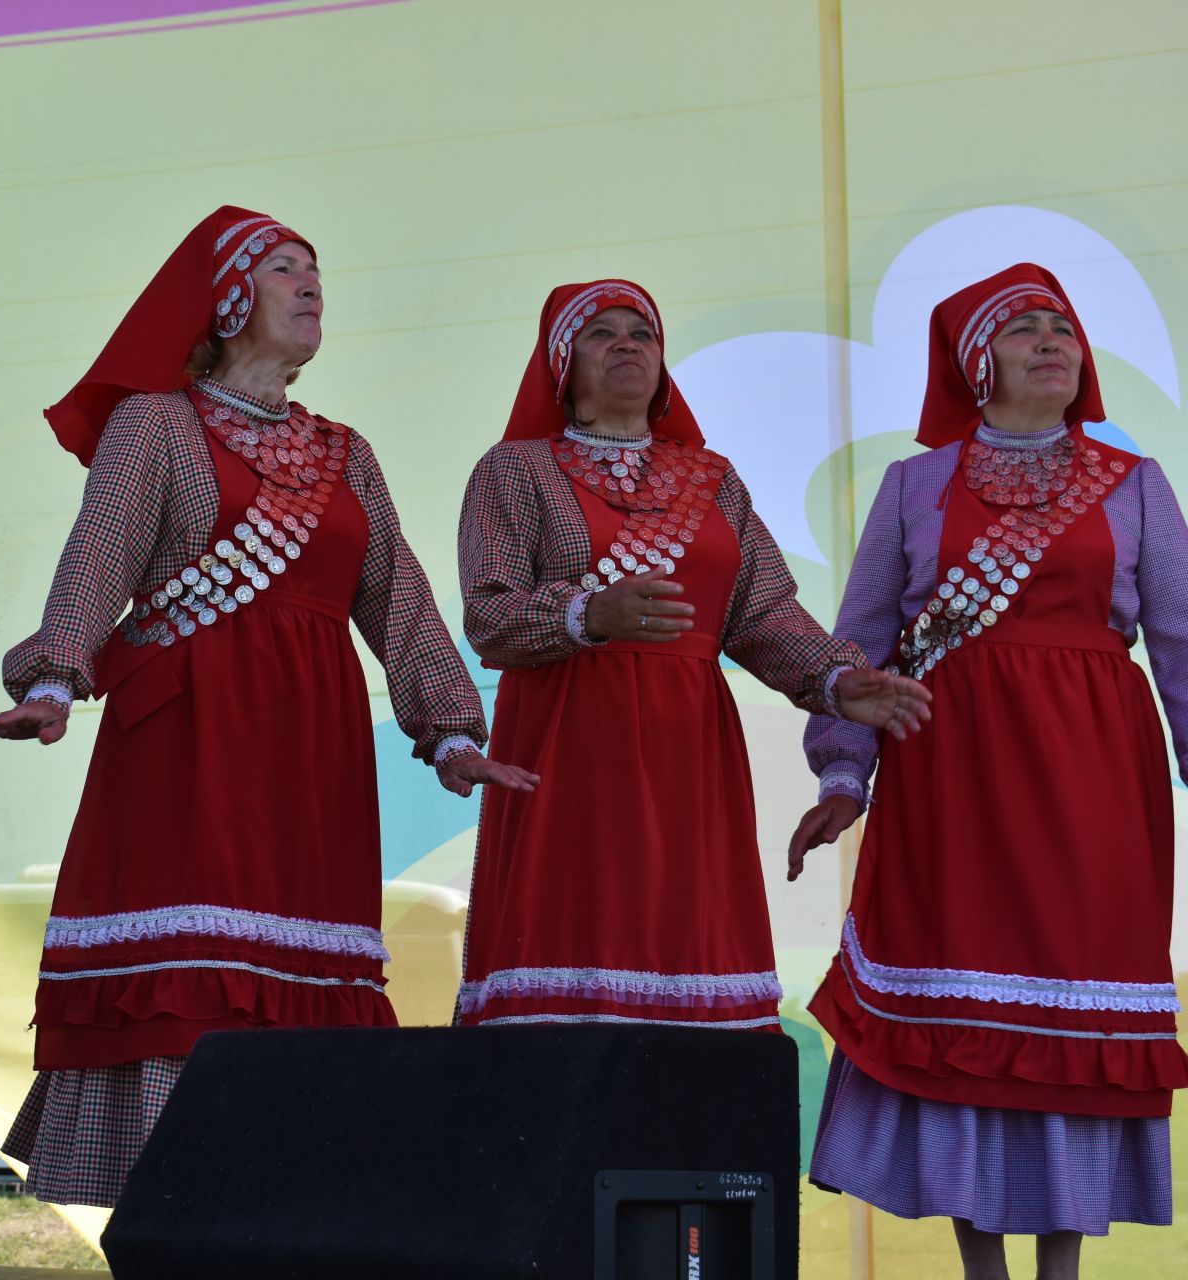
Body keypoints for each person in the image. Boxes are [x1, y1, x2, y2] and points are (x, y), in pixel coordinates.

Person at [0, 206, 536, 1206]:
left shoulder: (347, 452)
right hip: (188, 734)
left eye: (316, 269)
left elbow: (396, 593)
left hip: (309, 751)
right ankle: (172, 1210)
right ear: (230, 298)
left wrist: (450, 728)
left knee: (303, 985)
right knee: (186, 981)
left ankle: (283, 1213)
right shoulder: (158, 422)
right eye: (285, 267)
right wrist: (57, 677)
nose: (311, 283)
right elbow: (98, 556)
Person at [791, 264, 1187, 1279]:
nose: (1054, 341)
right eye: (1024, 329)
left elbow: (1181, 642)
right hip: (950, 770)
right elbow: (864, 641)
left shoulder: (1134, 481)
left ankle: (1061, 1265)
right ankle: (984, 1268)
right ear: (979, 364)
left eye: (1064, 326)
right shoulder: (914, 486)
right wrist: (844, 775)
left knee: (1070, 999)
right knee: (966, 1006)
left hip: (1096, 772)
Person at [454, 279, 930, 1034]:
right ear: (559, 365)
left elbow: (763, 611)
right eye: (600, 333)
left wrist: (837, 681)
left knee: (688, 946)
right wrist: (589, 614)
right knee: (574, 942)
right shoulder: (517, 470)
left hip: (688, 752)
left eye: (642, 333)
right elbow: (488, 614)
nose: (626, 345)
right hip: (569, 745)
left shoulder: (713, 480)